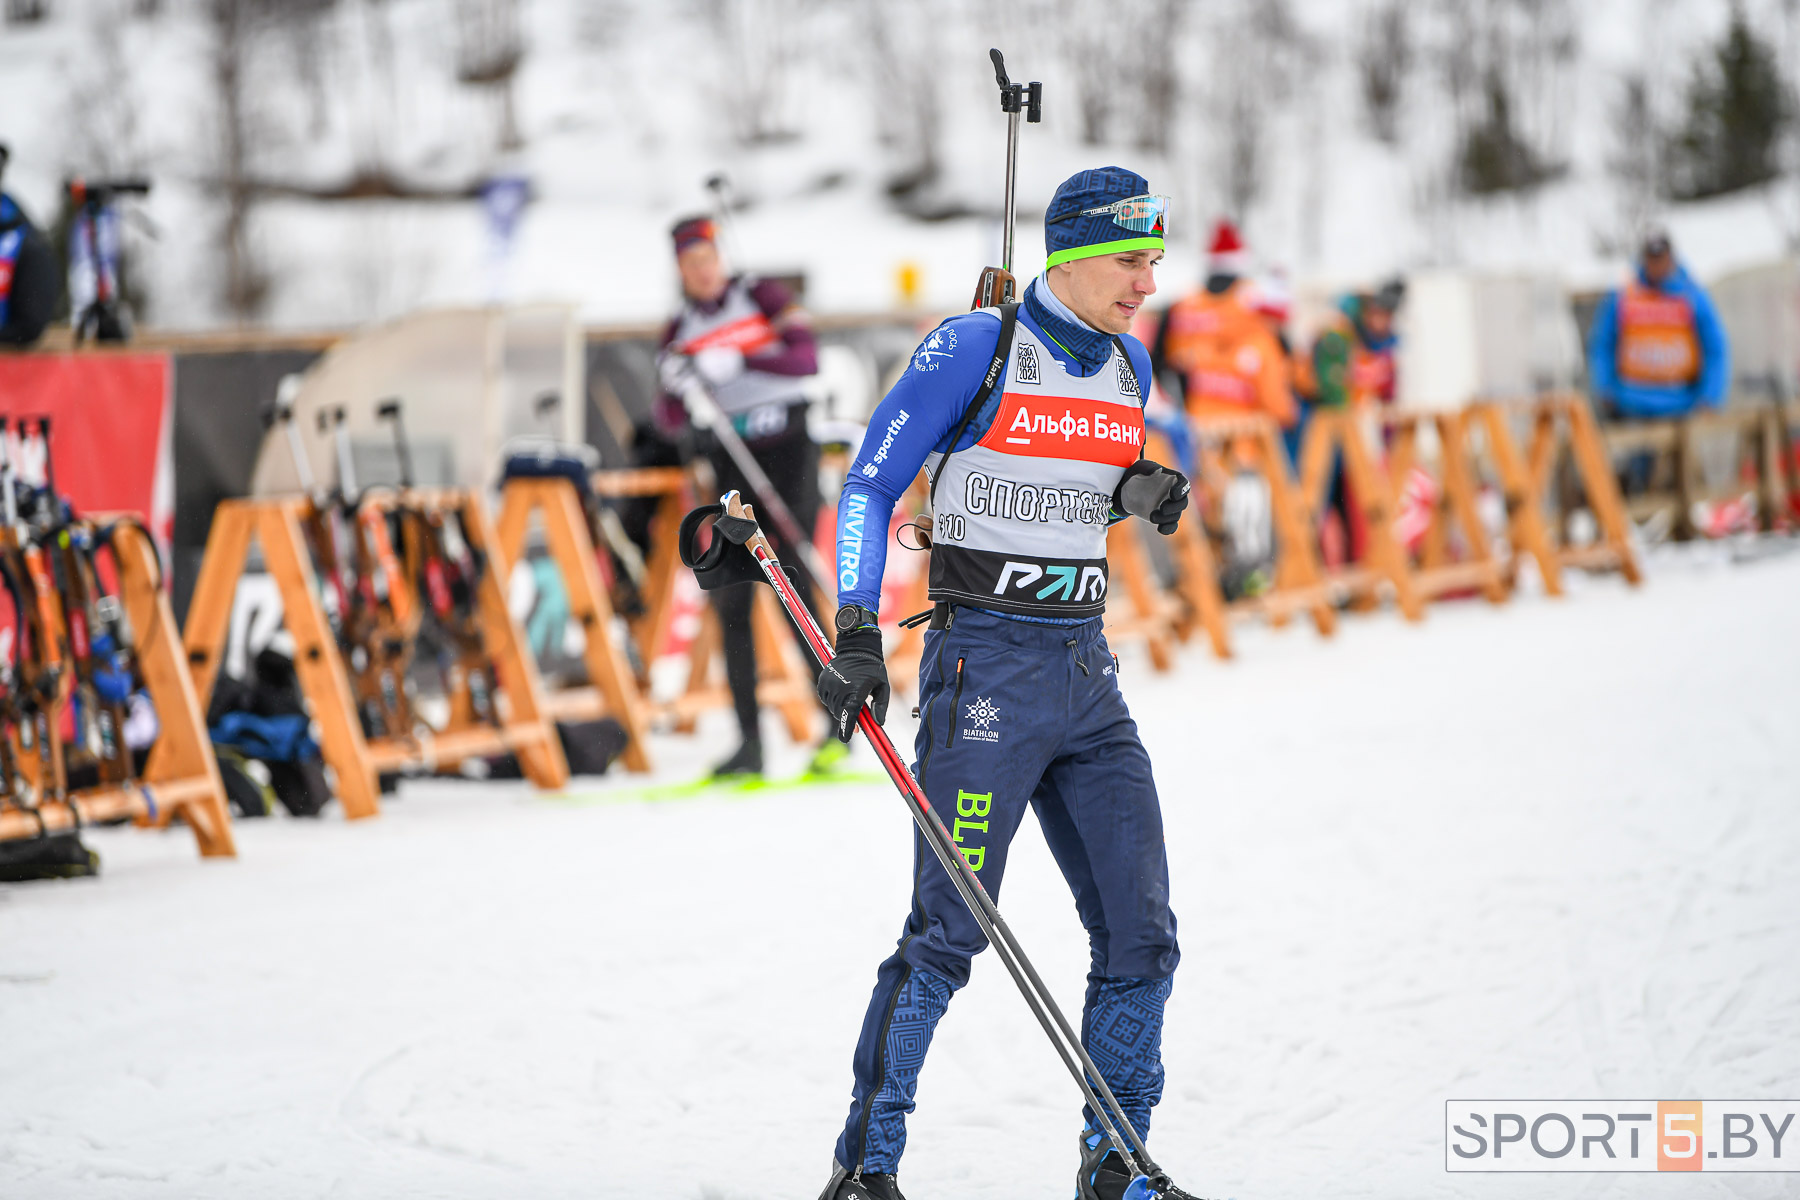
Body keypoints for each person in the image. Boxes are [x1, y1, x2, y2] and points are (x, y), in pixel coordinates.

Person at [815, 167, 1190, 1200]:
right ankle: (865, 1169)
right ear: (1068, 257)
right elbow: (871, 482)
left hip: (1085, 670)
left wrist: (1134, 490)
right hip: (987, 669)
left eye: (1154, 260)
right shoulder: (974, 346)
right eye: (1129, 260)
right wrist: (853, 630)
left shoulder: (1130, 366)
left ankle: (1116, 1165)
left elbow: (1061, 482)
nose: (1146, 282)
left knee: (1141, 929)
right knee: (949, 931)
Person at [655, 214, 836, 778]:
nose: (701, 272)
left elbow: (806, 359)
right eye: (690, 265)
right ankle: (748, 743)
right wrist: (679, 385)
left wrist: (742, 360)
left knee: (791, 585)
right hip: (731, 458)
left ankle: (840, 725)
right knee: (731, 592)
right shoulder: (678, 326)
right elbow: (666, 417)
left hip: (788, 454)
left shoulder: (763, 295)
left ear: (719, 257)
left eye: (707, 259)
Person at [1151, 218, 1295, 429]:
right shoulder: (1254, 302)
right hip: (1251, 421)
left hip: (1196, 416)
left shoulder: (1183, 305)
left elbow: (1159, 358)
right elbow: (1280, 356)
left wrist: (1176, 404)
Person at [1587, 229, 1730, 420]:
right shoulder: (1624, 294)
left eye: (1661, 258)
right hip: (1630, 405)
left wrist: (1710, 397)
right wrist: (1605, 388)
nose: (1656, 265)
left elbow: (1715, 347)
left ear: (1671, 258)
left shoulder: (1691, 294)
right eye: (1651, 259)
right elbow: (1602, 343)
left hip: (1683, 405)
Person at [1308, 280, 1404, 565]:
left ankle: (1367, 563)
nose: (1381, 321)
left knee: (1364, 506)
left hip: (1365, 440)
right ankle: (1333, 566)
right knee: (1327, 505)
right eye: (1375, 314)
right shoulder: (1339, 339)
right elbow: (1331, 390)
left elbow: (1387, 395)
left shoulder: (1383, 350)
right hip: (1331, 437)